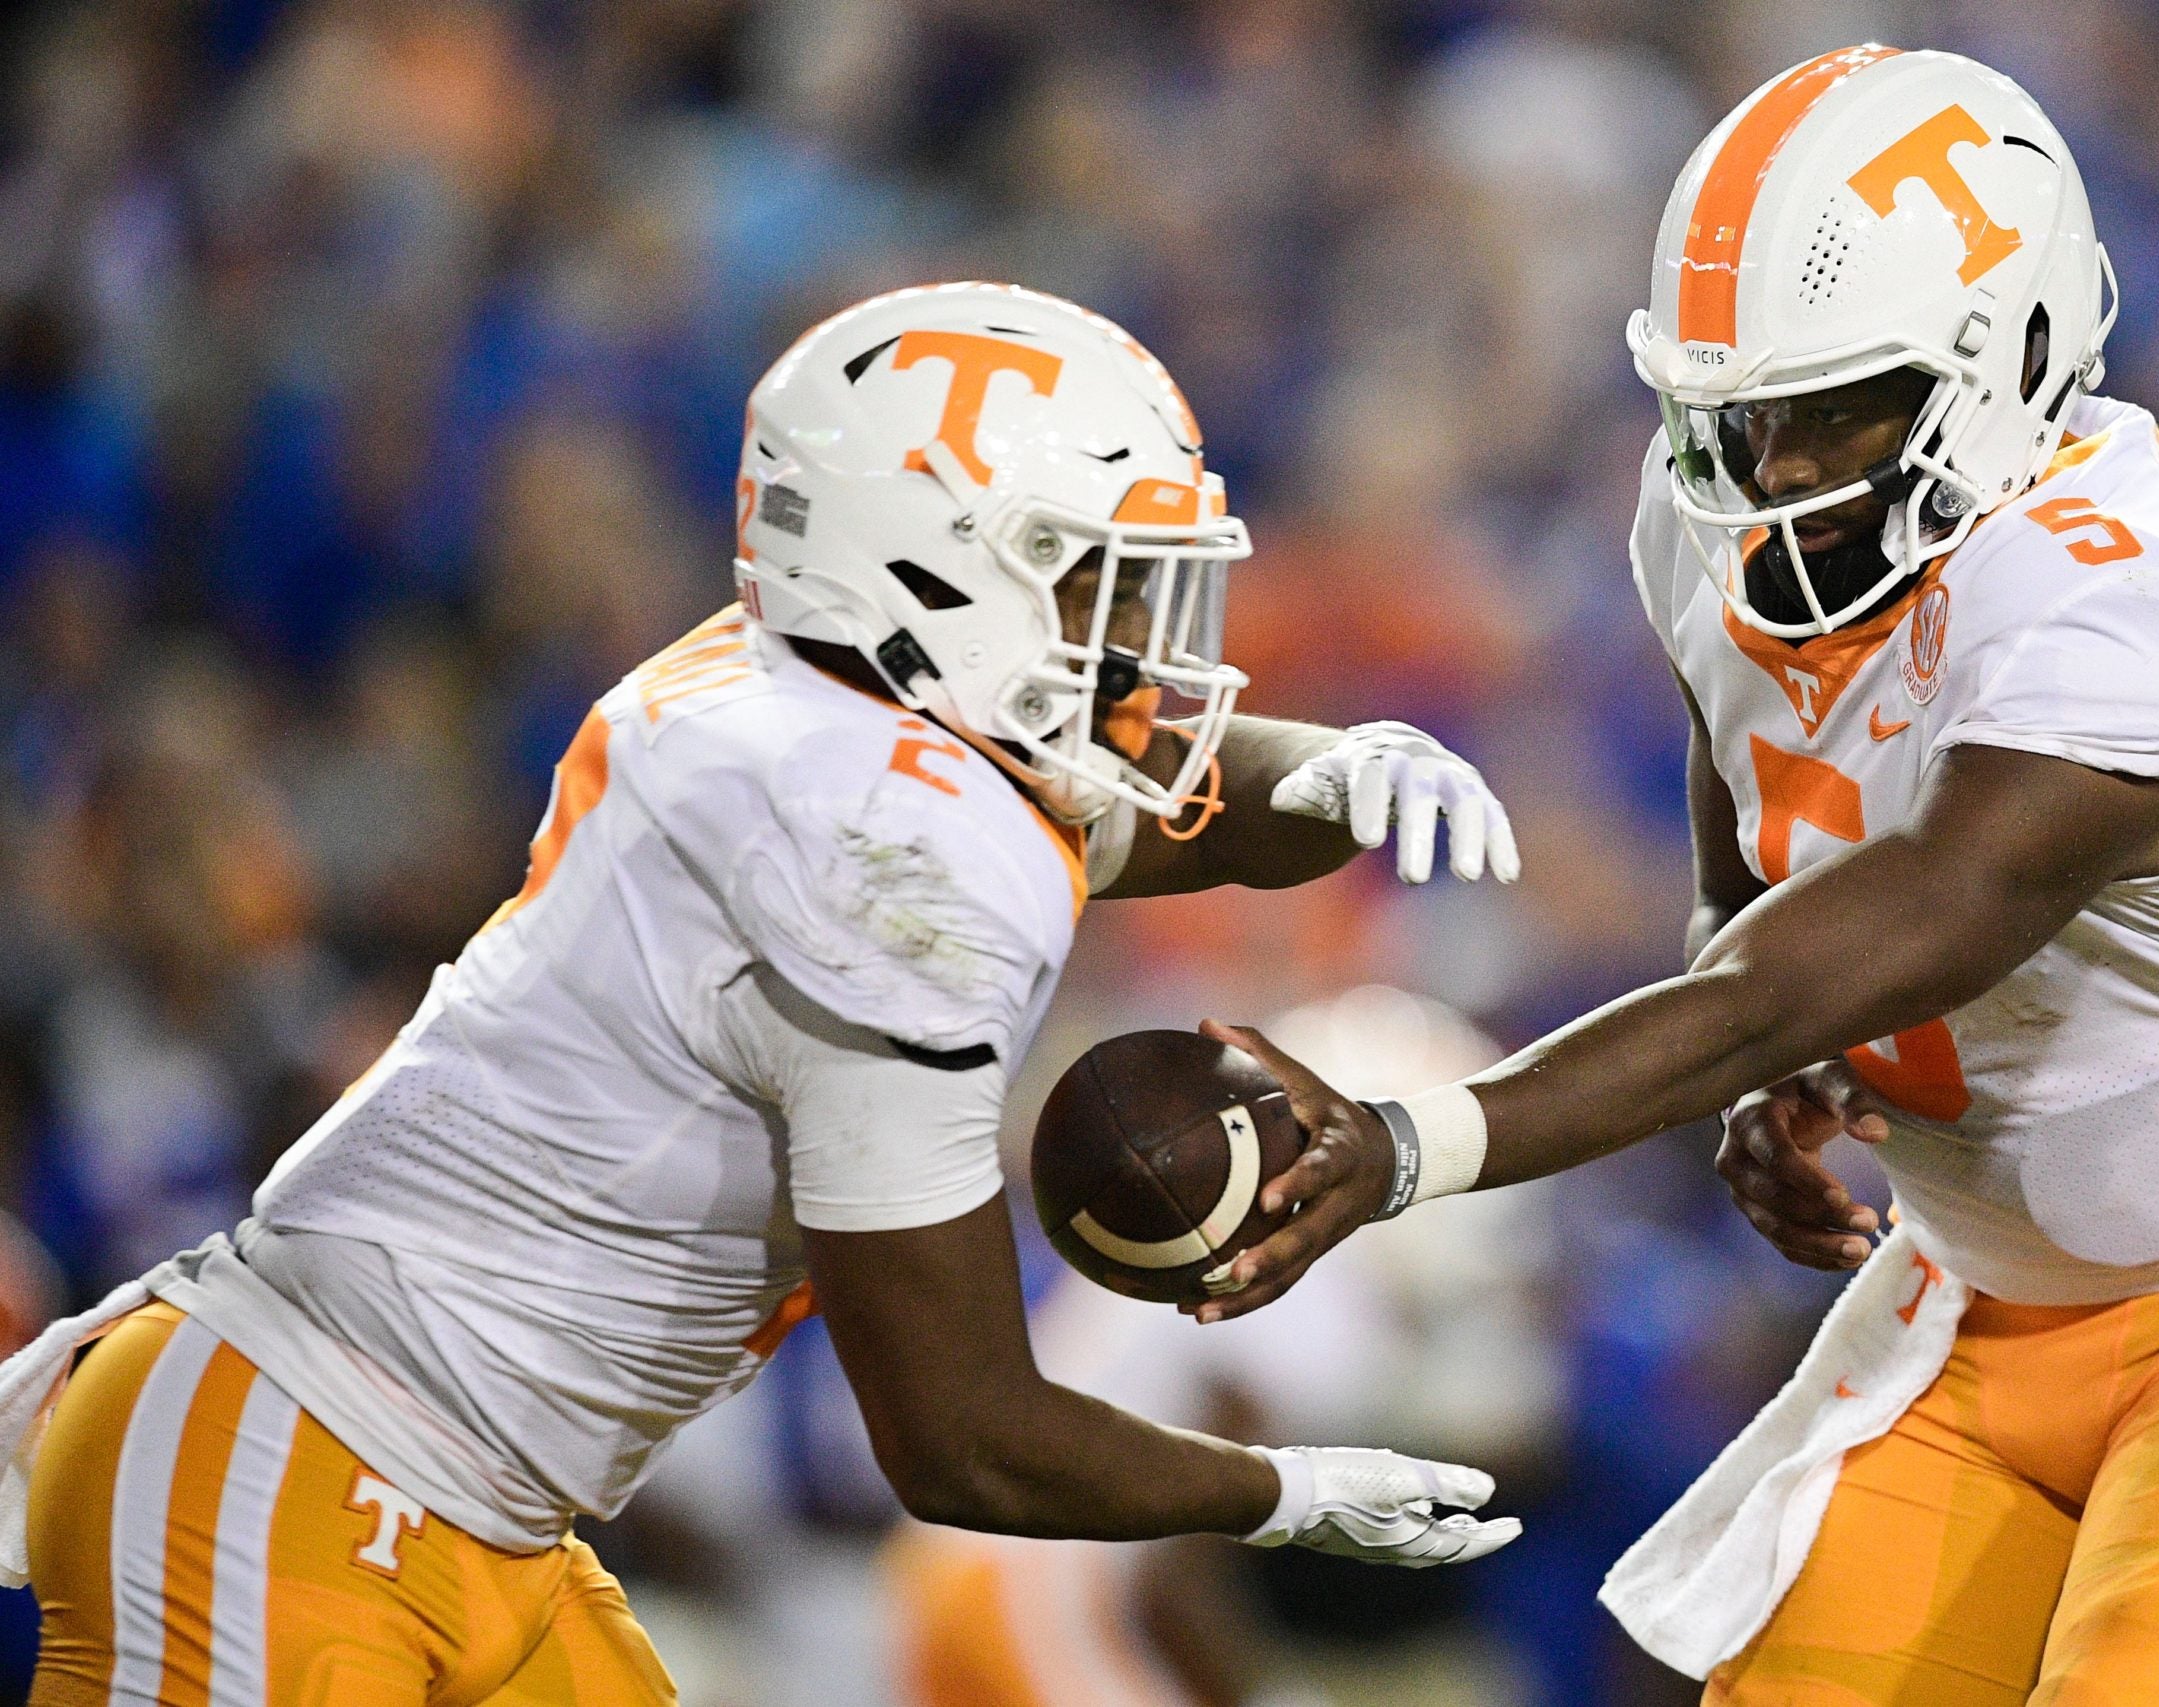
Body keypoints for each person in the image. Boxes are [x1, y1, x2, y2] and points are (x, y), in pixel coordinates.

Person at [0, 282, 1523, 1707]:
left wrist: (1337, 773)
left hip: (452, 1502)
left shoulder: (799, 698)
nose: (1134, 640)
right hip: (303, 1471)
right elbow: (968, 1444)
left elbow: (1122, 802)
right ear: (924, 566)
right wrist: (1287, 1493)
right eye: (1082, 577)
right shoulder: (879, 860)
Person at [1196, 46, 2159, 1707]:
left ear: (2004, 362)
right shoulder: (1716, 513)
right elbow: (1762, 853)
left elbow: (1823, 962)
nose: (1771, 470)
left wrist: (1416, 1141)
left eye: (1829, 410)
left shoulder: (2117, 606)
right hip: (1968, 1305)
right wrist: (1789, 1060)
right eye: (1740, 416)